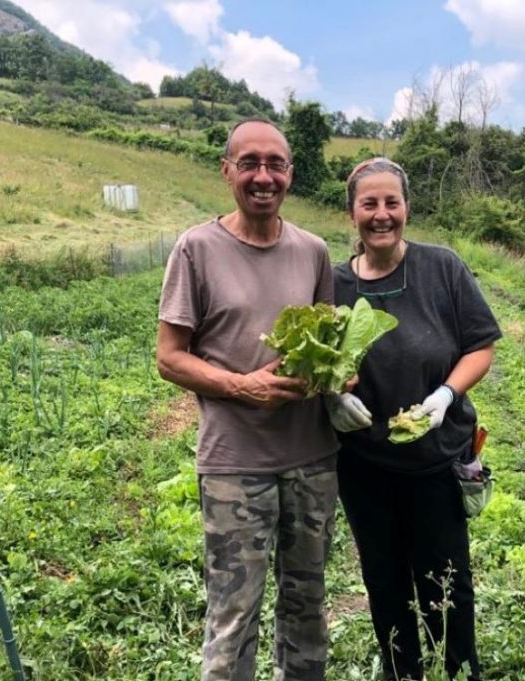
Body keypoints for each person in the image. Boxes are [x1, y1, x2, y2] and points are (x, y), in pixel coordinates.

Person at [156, 118, 340, 681]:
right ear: (227, 170)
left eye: (275, 164)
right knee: (234, 614)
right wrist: (243, 386)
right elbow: (169, 357)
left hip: (312, 460)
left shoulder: (313, 251)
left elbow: (329, 346)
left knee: (307, 607)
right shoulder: (197, 248)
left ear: (290, 173)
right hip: (235, 465)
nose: (264, 176)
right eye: (250, 163)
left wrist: (336, 377)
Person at [325, 158, 502, 681]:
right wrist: (330, 397)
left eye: (392, 203)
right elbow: (319, 361)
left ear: (406, 208)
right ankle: (402, 671)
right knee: (383, 578)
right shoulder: (332, 284)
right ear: (352, 212)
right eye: (369, 204)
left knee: (445, 577)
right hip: (364, 465)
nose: (382, 215)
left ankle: (457, 669)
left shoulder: (441, 267)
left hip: (434, 460)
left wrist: (448, 393)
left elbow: (480, 346)